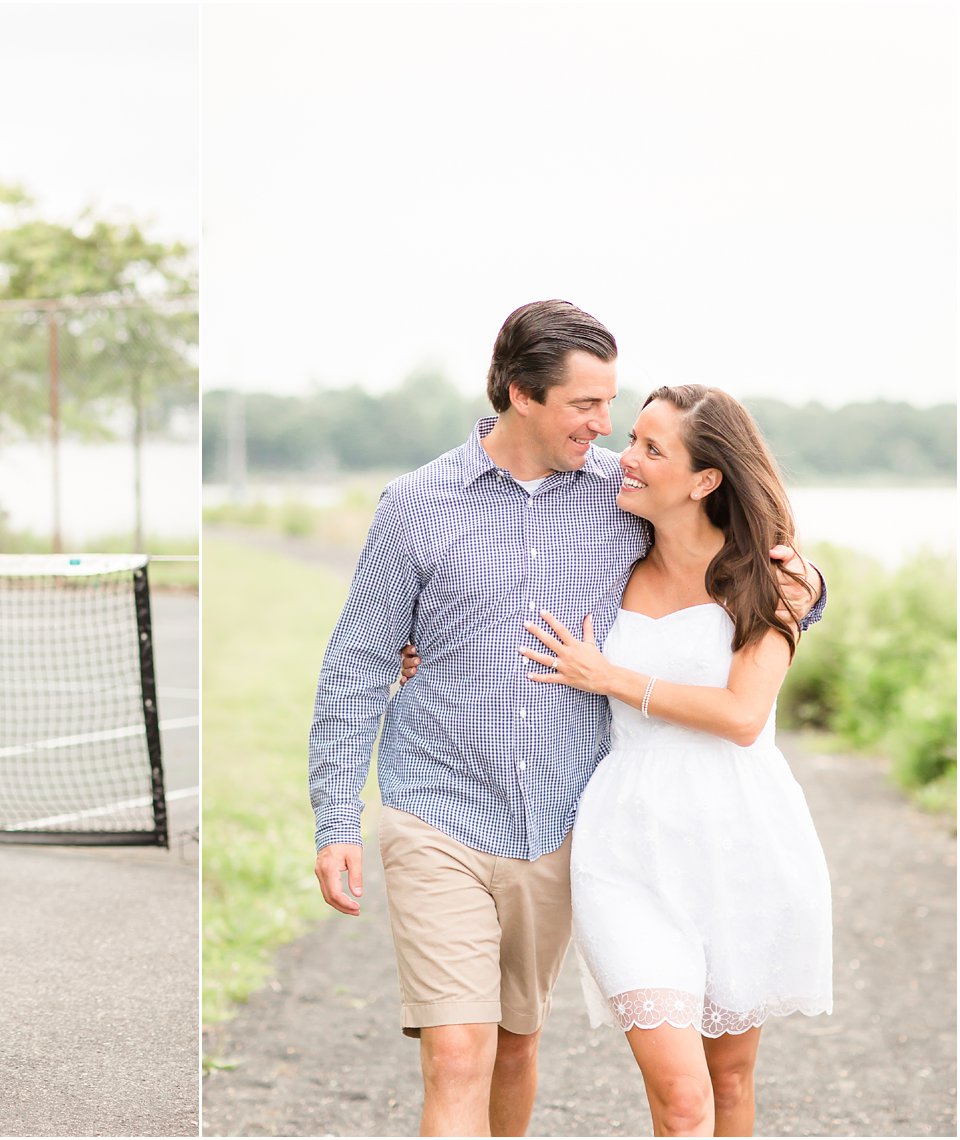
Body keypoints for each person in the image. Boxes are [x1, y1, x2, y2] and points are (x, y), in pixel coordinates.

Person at [307, 299, 824, 1137]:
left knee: (514, 1046)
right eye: (586, 405)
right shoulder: (414, 506)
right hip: (435, 803)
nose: (605, 426)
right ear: (521, 393)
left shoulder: (621, 498)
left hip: (560, 817)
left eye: (610, 404)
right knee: (457, 1054)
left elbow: (724, 570)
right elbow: (359, 661)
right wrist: (334, 819)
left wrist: (812, 589)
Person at [517, 385, 832, 1136]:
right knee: (683, 1097)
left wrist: (612, 677)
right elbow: (510, 616)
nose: (623, 457)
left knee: (729, 1080)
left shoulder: (777, 578)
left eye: (652, 449)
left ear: (705, 480)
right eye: (631, 438)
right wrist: (417, 653)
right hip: (626, 847)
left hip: (743, 841)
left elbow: (742, 715)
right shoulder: (608, 563)